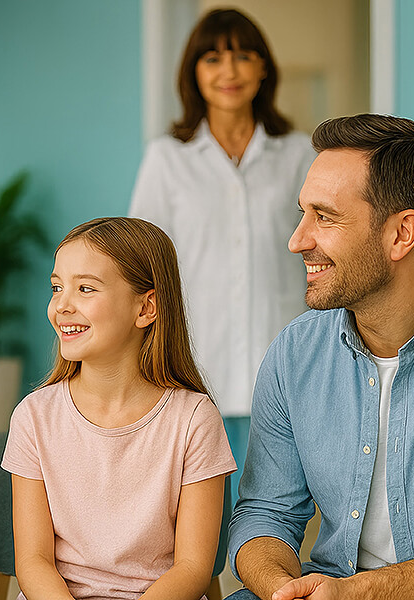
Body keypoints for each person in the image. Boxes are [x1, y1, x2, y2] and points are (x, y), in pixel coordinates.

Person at [227, 114, 414, 600]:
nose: (297, 240)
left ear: (401, 234)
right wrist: (284, 589)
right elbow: (265, 513)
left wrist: (360, 594)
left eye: (324, 217)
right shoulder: (295, 353)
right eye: (302, 213)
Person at [128, 8, 317, 490]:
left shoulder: (298, 153)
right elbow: (141, 261)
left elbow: (320, 245)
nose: (228, 72)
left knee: (278, 507)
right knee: (198, 517)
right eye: (212, 58)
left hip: (282, 352)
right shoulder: (167, 158)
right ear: (194, 72)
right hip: (194, 357)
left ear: (263, 69)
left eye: (243, 57)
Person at [2, 217, 236, 600]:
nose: (61, 305)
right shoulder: (33, 417)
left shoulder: (195, 420)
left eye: (85, 289)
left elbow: (193, 568)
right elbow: (33, 562)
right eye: (57, 287)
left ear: (146, 308)